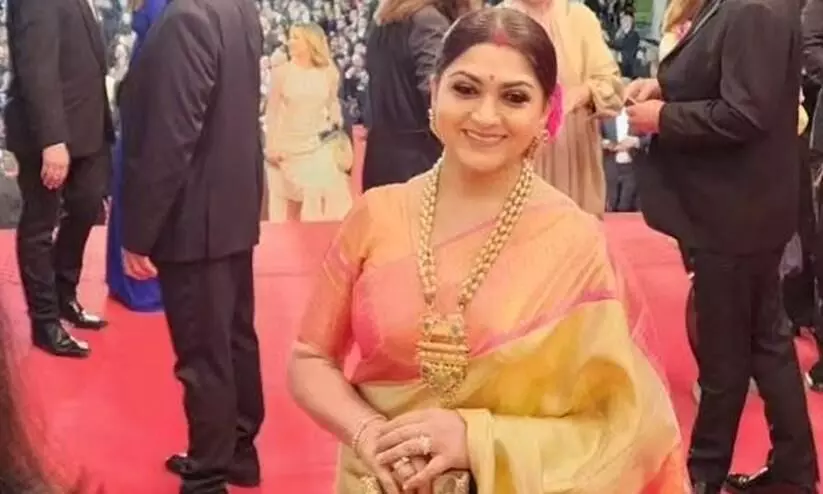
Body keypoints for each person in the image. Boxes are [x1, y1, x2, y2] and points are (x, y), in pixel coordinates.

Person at [288, 8, 687, 494]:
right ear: (434, 92)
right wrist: (367, 431)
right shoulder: (377, 215)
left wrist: (479, 442)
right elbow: (310, 357)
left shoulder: (576, 243)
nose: (484, 115)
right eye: (465, 88)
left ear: (546, 112)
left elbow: (628, 429)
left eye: (514, 97)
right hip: (379, 481)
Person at [626, 0, 819, 491]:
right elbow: (735, 81)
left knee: (727, 356)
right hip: (745, 210)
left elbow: (744, 112)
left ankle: (701, 477)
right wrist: (667, 88)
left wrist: (663, 116)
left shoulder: (752, 8)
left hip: (736, 214)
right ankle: (793, 474)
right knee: (765, 343)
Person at [118, 0, 266, 492]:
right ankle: (237, 452)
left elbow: (170, 135)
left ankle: (208, 475)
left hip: (194, 216)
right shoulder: (237, 9)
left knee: (204, 354)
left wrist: (139, 231)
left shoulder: (186, 18)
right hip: (230, 205)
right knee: (234, 338)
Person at [5, 0, 114, 359]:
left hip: (88, 130)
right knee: (40, 223)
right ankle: (45, 320)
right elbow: (37, 66)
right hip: (48, 134)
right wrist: (52, 139)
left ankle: (64, 295)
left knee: (86, 207)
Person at [503, 0, 624, 217]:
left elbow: (612, 86)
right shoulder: (499, 19)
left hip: (572, 154)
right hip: (515, 153)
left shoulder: (581, 18)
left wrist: (581, 93)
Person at [362, 0, 471, 191]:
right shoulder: (428, 21)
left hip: (380, 155)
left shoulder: (383, 19)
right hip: (419, 160)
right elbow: (436, 94)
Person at [105, 0, 168, 313]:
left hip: (148, 105)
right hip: (138, 106)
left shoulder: (164, 12)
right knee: (132, 185)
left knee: (142, 183)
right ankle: (130, 280)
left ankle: (136, 280)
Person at [263, 23, 353, 222]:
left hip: (317, 143)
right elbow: (272, 112)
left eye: (296, 38)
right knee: (288, 211)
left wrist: (336, 125)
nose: (290, 42)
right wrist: (271, 146)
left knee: (327, 195)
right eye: (290, 37)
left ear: (310, 42)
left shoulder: (329, 73)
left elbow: (333, 104)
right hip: (287, 146)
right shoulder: (282, 73)